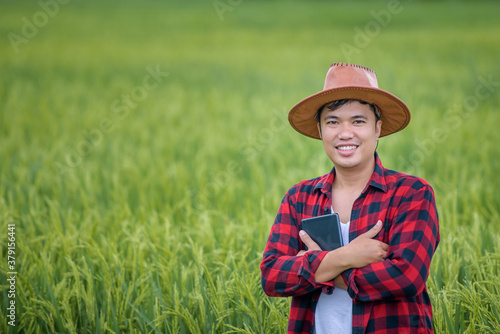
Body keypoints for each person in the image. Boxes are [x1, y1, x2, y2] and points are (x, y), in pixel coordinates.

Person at [260, 62, 440, 334]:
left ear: (377, 128)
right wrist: (346, 256)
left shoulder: (411, 193)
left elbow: (405, 277)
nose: (345, 133)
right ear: (320, 130)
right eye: (333, 122)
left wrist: (316, 264)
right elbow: (272, 276)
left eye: (358, 121)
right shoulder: (299, 198)